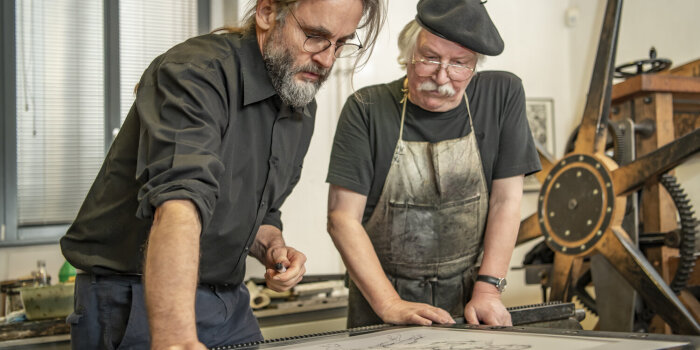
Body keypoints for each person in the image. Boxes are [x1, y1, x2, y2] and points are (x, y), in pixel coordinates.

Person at [60, 0, 384, 348]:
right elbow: (178, 205)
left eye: (341, 42)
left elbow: (261, 212)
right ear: (267, 13)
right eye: (315, 36)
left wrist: (273, 247)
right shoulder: (195, 72)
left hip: (228, 300)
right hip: (134, 296)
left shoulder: (299, 104)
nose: (327, 59)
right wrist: (175, 339)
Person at [326, 0, 541, 328]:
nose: (442, 76)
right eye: (429, 58)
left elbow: (506, 200)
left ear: (474, 65)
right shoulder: (366, 109)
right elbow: (342, 218)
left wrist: (488, 290)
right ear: (408, 51)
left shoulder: (503, 95)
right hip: (381, 303)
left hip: (469, 299)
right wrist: (389, 304)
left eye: (460, 63)